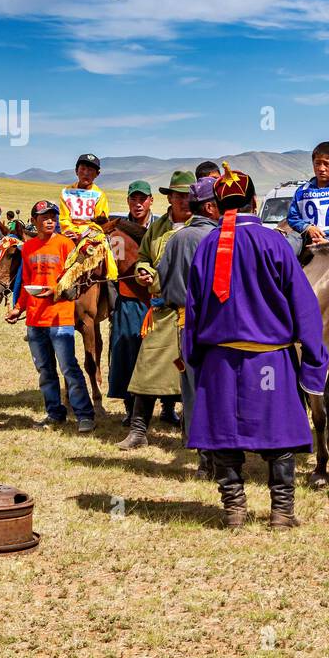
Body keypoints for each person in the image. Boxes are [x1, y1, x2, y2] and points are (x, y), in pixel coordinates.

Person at [184, 165, 329, 528]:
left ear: (216, 205)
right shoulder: (275, 243)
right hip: (270, 360)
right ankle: (281, 513)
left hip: (220, 359)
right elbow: (305, 306)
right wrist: (314, 357)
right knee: (277, 435)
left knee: (224, 435)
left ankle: (234, 510)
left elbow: (193, 308)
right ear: (253, 201)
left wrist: (194, 356)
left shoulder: (206, 248)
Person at [4, 200, 96, 432]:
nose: (49, 220)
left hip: (60, 319)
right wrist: (18, 308)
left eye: (53, 216)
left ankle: (85, 415)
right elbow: (25, 282)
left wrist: (55, 291)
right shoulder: (29, 248)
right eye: (44, 216)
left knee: (69, 368)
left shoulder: (66, 245)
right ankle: (55, 414)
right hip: (35, 320)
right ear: (34, 220)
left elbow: (74, 282)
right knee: (45, 371)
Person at [152, 177, 220, 474]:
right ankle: (223, 453)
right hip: (219, 324)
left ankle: (202, 454)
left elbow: (162, 283)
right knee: (218, 387)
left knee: (192, 387)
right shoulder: (221, 237)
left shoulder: (177, 238)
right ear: (209, 206)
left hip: (185, 322)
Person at [120, 171, 192, 448]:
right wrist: (143, 271)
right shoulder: (159, 227)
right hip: (162, 310)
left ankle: (190, 432)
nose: (183, 201)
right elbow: (144, 258)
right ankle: (138, 431)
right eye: (178, 196)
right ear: (169, 198)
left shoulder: (200, 227)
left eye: (188, 196)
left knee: (191, 372)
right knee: (148, 366)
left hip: (192, 312)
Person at [108, 181, 155, 426]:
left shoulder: (161, 229)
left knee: (163, 356)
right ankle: (130, 408)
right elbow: (113, 273)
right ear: (128, 201)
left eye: (142, 199)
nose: (138, 204)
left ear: (151, 201)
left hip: (158, 301)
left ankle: (168, 407)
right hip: (128, 300)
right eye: (133, 199)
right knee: (127, 354)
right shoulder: (117, 233)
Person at [58, 152, 118, 281]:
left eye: (91, 170)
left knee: (108, 255)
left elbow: (100, 221)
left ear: (97, 174)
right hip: (69, 233)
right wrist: (72, 232)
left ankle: (110, 287)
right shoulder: (66, 192)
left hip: (92, 234)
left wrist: (83, 234)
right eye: (83, 169)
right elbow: (63, 218)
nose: (86, 173)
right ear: (76, 171)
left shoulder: (99, 195)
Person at [287, 141, 329, 246]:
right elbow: (292, 217)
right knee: (286, 249)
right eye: (317, 163)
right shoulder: (302, 191)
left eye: (327, 164)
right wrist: (307, 227)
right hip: (303, 238)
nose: (321, 168)